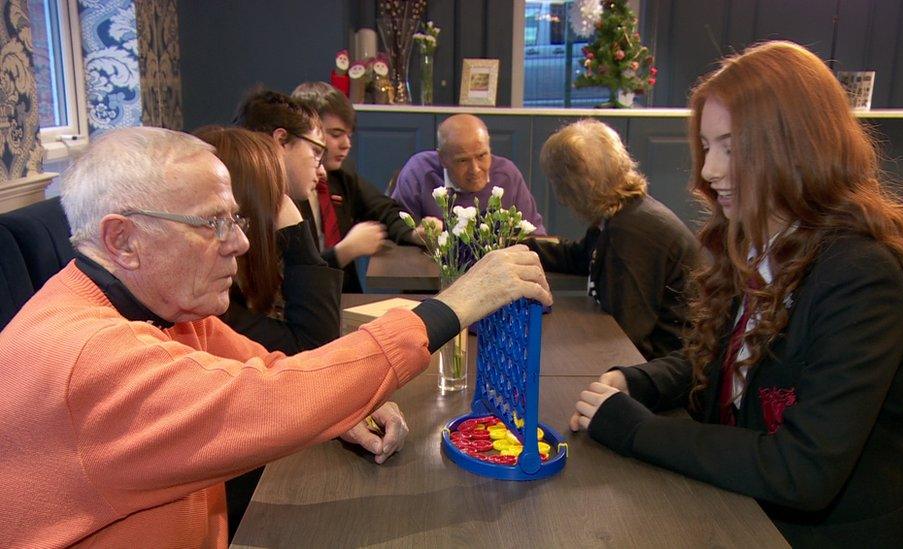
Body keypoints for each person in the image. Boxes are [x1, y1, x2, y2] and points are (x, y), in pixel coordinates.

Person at [0, 127, 552, 547]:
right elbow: (269, 400)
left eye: (235, 219)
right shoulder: (87, 358)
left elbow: (271, 367)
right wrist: (456, 304)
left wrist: (338, 406)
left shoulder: (163, 307)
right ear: (122, 240)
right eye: (212, 223)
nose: (239, 243)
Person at [569, 41, 903, 547]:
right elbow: (724, 360)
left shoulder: (861, 275)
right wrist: (634, 380)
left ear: (798, 147)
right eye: (708, 147)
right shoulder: (762, 241)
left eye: (731, 147)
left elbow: (803, 472)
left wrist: (636, 430)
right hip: (747, 511)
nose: (708, 170)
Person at [192, 126, 408, 537]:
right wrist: (296, 233)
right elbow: (312, 346)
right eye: (276, 198)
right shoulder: (212, 307)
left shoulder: (217, 304)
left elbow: (291, 365)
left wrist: (344, 396)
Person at [530, 119, 698, 361]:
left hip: (662, 372)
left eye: (559, 184)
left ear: (575, 186)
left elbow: (624, 336)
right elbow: (579, 256)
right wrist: (518, 244)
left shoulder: (630, 233)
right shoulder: (624, 214)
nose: (560, 198)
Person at [234, 89, 392, 292]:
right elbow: (307, 303)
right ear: (281, 141)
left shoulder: (340, 179)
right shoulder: (257, 216)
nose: (323, 173)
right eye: (316, 152)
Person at [290, 81, 425, 292]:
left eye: (349, 135)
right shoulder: (288, 190)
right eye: (335, 134)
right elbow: (291, 273)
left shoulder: (341, 178)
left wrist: (414, 232)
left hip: (344, 298)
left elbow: (384, 209)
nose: (346, 144)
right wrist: (345, 251)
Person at [393, 114, 546, 234]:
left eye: (482, 156)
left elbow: (534, 234)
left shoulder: (507, 175)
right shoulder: (419, 172)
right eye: (462, 161)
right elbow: (397, 228)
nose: (475, 169)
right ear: (442, 159)